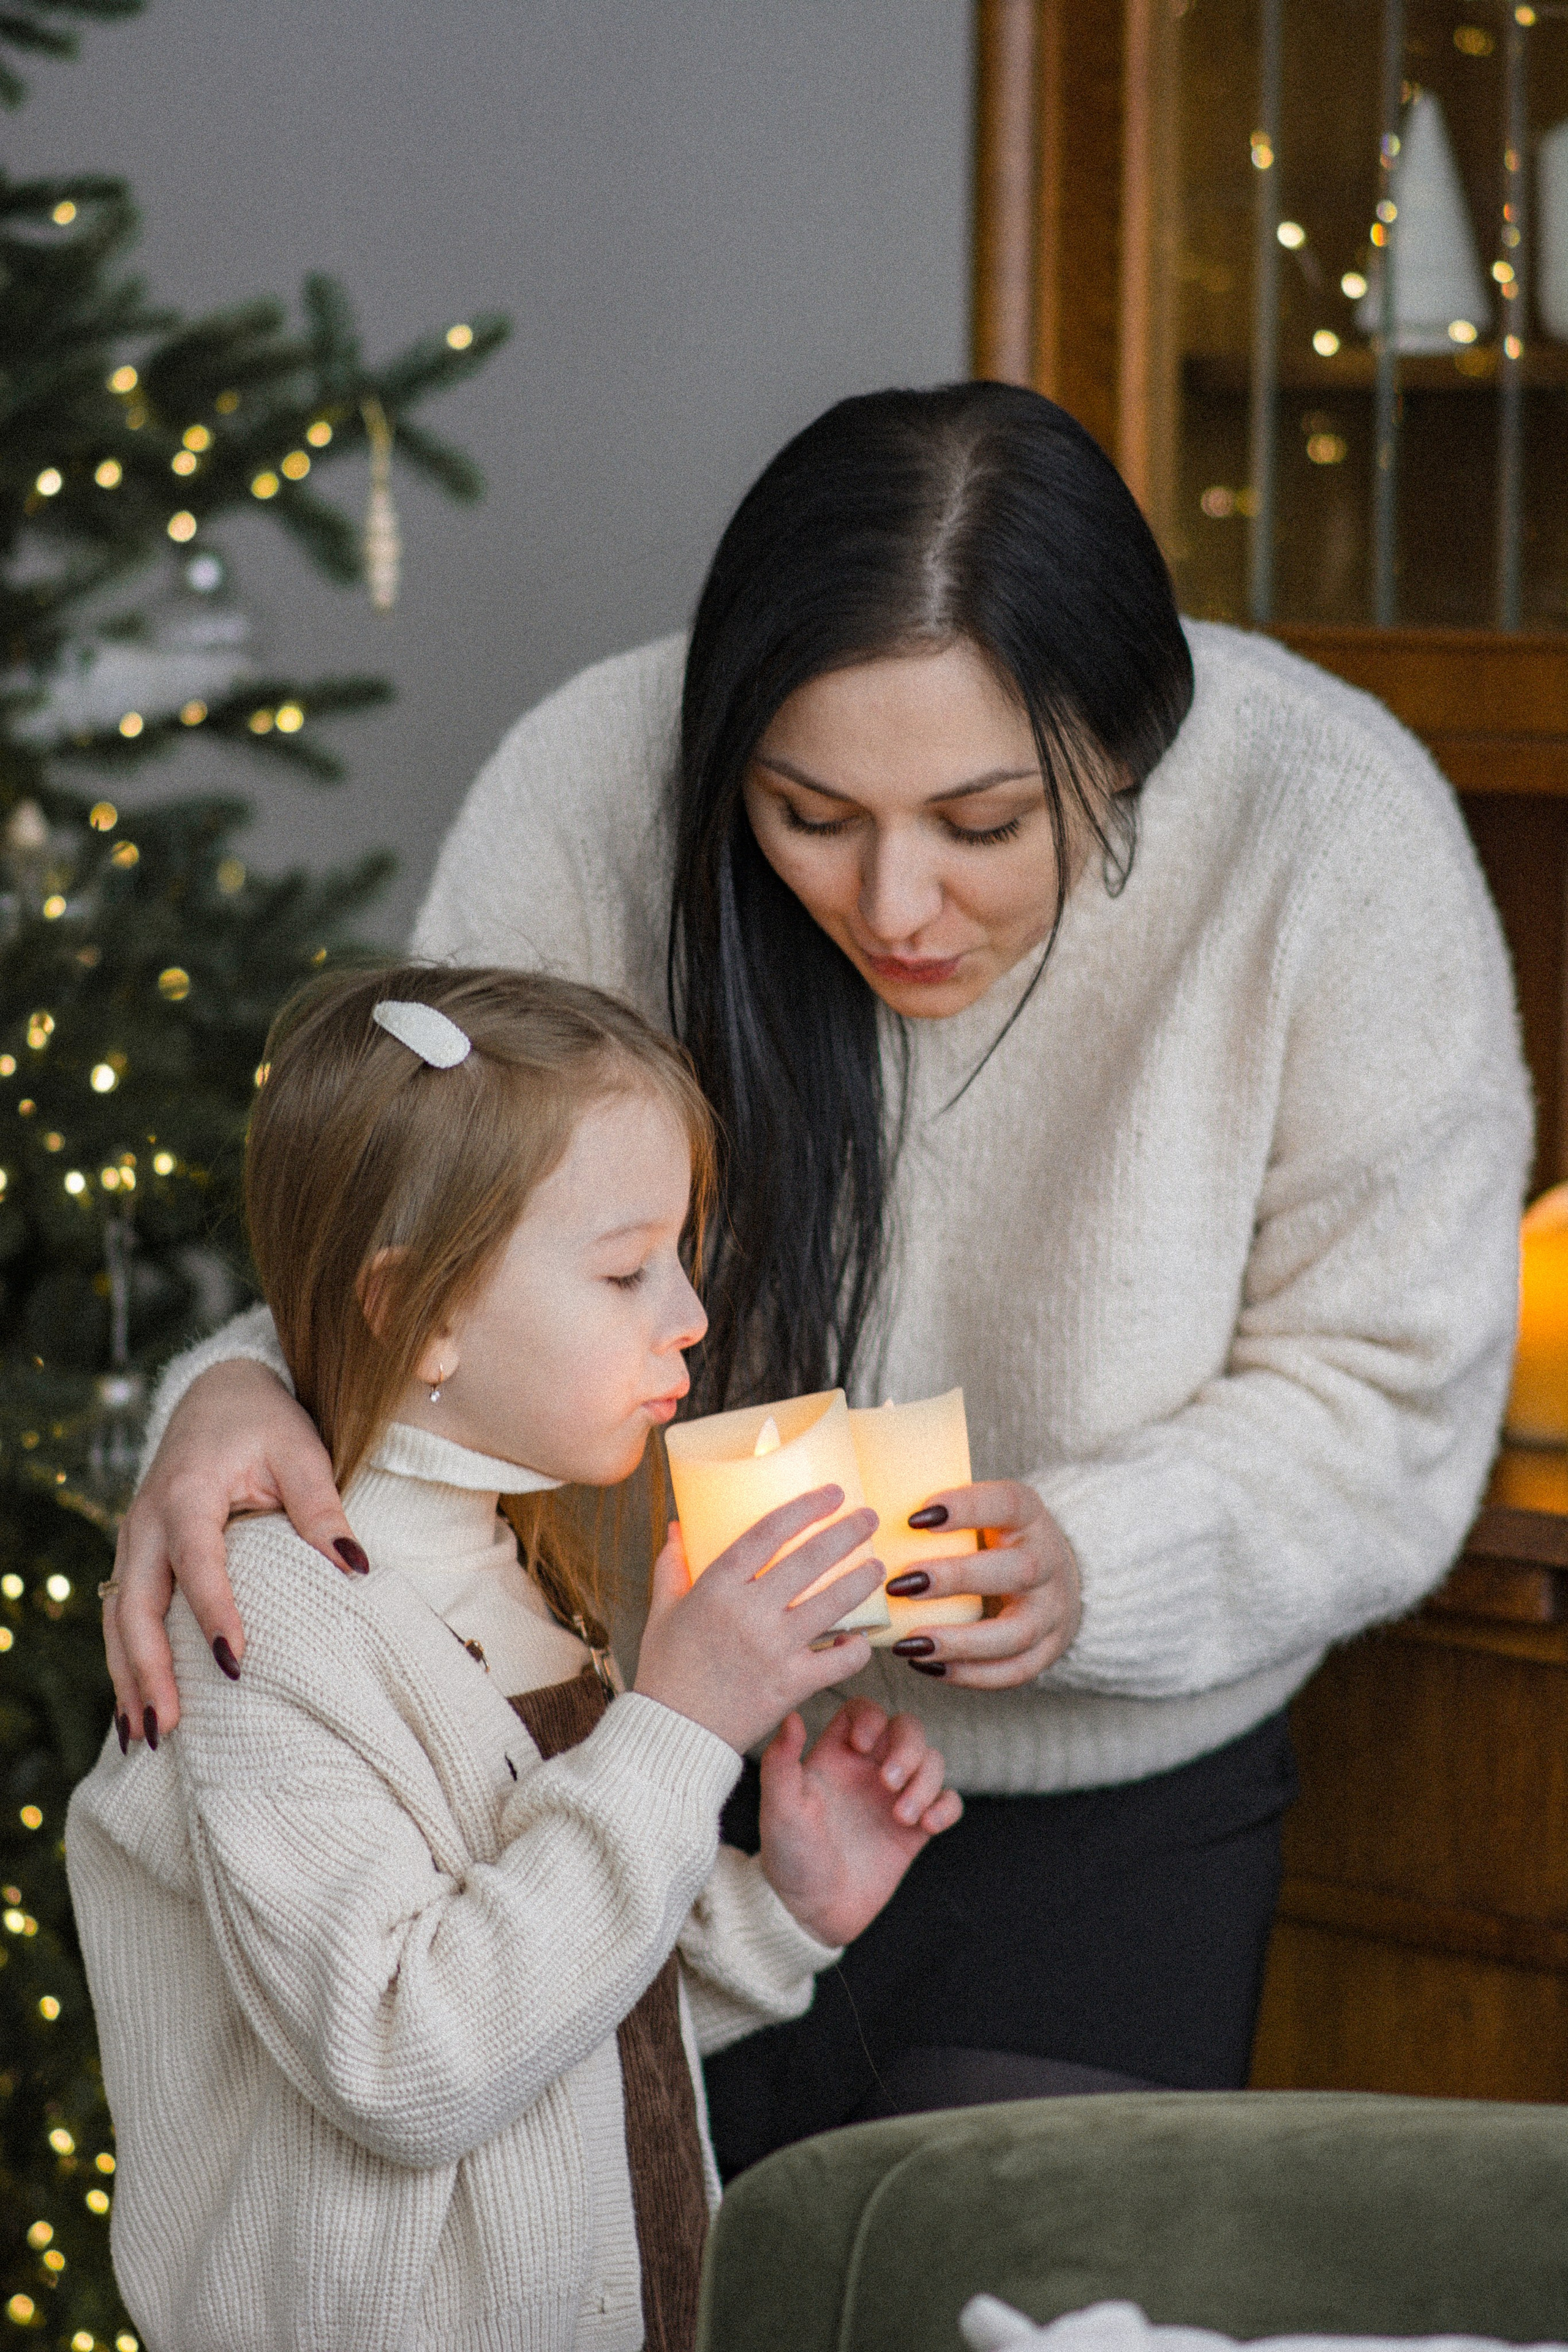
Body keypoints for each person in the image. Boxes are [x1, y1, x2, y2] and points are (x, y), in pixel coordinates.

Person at [100, 382, 1531, 2168]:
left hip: (1103, 1838)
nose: (894, 903)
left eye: (984, 824)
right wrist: (243, 1380)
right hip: (618, 1772)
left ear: (1133, 749)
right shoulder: (594, 777)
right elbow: (445, 1227)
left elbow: (1388, 1402)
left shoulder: (1326, 827)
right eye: (806, 813)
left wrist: (1094, 1561)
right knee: (659, 2285)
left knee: (1005, 2278)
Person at [66, 965, 960, 2352]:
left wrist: (775, 1911)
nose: (690, 1316)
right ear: (417, 1310)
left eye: (680, 1255)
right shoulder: (269, 1624)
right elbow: (403, 2057)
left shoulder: (513, 1566)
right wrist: (679, 1726)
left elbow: (560, 2026)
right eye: (624, 1270)